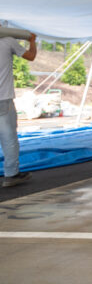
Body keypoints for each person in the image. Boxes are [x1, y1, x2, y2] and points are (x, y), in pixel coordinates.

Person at [1, 31, 37, 187]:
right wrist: (32, 40)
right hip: (3, 99)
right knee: (8, 138)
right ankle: (11, 175)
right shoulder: (8, 41)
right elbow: (30, 56)